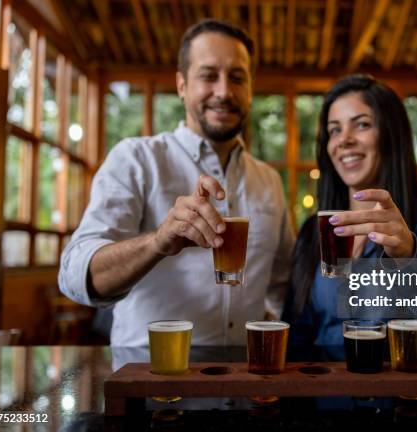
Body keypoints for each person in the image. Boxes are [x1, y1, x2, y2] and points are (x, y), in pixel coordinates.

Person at [59, 19, 294, 347]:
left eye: (237, 78)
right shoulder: (136, 159)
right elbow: (74, 275)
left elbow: (281, 281)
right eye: (208, 75)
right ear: (182, 85)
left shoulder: (269, 180)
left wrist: (269, 319)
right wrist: (158, 242)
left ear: (251, 89)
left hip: (247, 379)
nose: (224, 91)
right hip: (150, 378)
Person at [283, 75, 417, 359]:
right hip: (325, 400)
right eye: (334, 130)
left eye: (362, 124)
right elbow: (297, 337)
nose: (344, 140)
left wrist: (410, 256)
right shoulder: (315, 230)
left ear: (390, 136)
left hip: (404, 400)